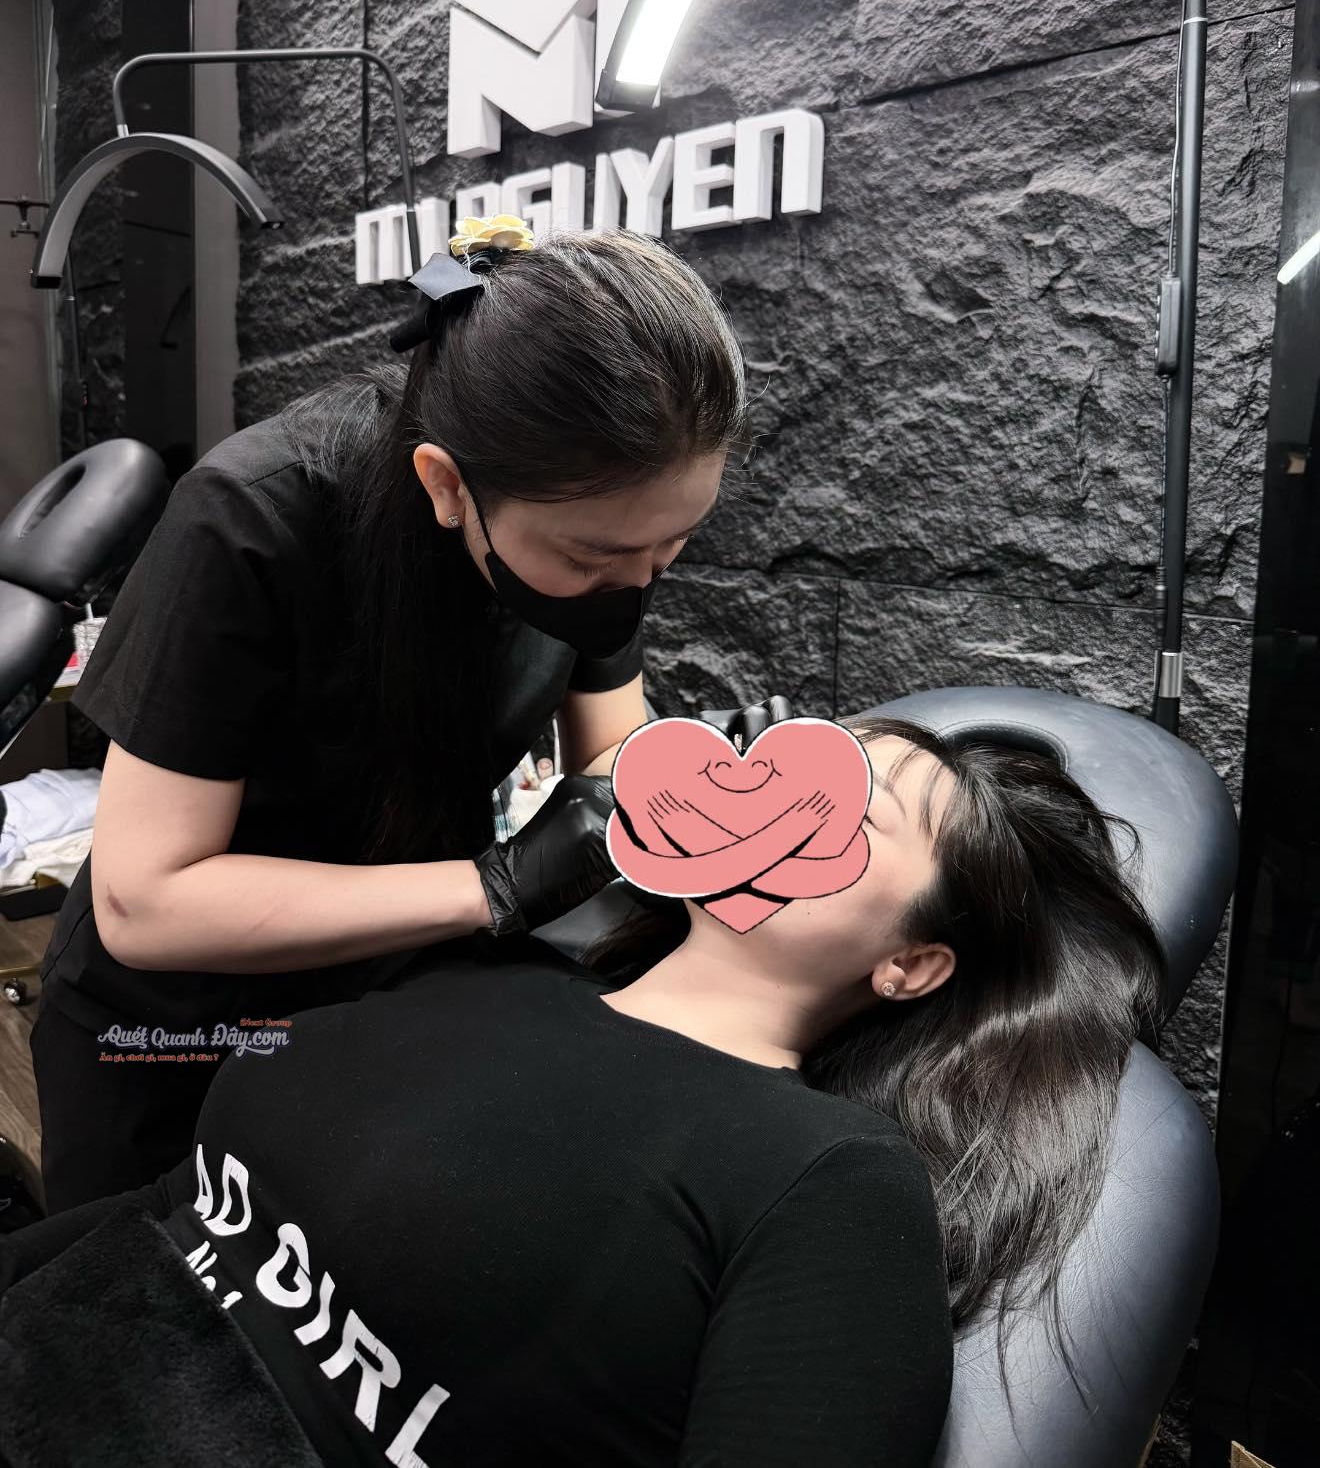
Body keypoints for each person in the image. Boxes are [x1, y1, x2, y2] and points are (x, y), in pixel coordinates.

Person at [0, 714, 1165, 1467]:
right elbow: (185, 1209)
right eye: (776, 767)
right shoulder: (493, 980)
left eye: (845, 812)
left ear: (909, 965)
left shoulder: (827, 1181)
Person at [31, 221, 755, 1211]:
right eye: (593, 558)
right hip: (182, 1030)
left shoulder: (603, 535)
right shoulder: (253, 517)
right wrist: (495, 885)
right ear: (448, 486)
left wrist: (690, 803)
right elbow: (144, 903)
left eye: (671, 548)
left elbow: (613, 758)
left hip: (394, 1002)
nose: (634, 583)